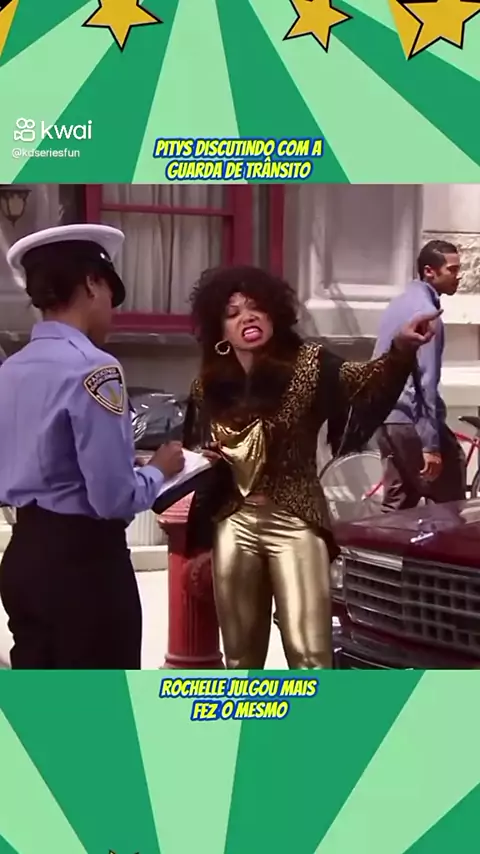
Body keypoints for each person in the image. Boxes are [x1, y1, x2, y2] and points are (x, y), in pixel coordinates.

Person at [182, 265, 440, 669]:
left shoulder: (310, 364)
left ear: (275, 314)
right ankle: (250, 714)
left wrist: (401, 349)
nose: (247, 317)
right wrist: (199, 537)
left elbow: (366, 381)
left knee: (310, 655)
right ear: (220, 330)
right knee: (240, 659)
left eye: (256, 307)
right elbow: (196, 464)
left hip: (295, 520)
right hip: (234, 523)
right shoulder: (208, 386)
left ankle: (315, 715)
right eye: (233, 313)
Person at [0, 223, 185, 669]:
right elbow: (112, 498)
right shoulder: (95, 368)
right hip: (84, 567)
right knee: (101, 707)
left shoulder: (11, 368)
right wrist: (158, 469)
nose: (111, 312)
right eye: (109, 296)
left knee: (38, 704)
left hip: (24, 555)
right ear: (91, 284)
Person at [373, 239, 466, 512]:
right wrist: (430, 445)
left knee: (398, 505)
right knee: (451, 502)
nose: (458, 276)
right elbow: (425, 382)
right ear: (429, 271)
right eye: (452, 270)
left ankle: (381, 541)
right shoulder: (426, 314)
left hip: (386, 418)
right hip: (409, 421)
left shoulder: (398, 304)